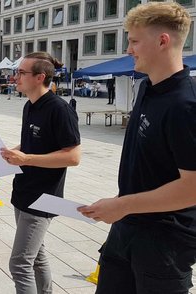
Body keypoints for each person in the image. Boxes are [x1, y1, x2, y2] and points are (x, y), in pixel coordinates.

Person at [78, 3, 196, 293]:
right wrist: (120, 202)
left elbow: (192, 187)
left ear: (162, 41)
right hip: (127, 228)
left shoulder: (186, 105)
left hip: (165, 241)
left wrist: (122, 205)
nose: (128, 49)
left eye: (133, 41)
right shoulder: (146, 88)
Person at [0, 51, 81, 294]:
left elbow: (73, 157)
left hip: (45, 198)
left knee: (20, 263)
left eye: (21, 73)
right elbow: (30, 144)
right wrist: (10, 152)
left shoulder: (59, 110)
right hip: (24, 191)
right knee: (36, 255)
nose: (16, 77)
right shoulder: (29, 106)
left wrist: (27, 159)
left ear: (39, 77)